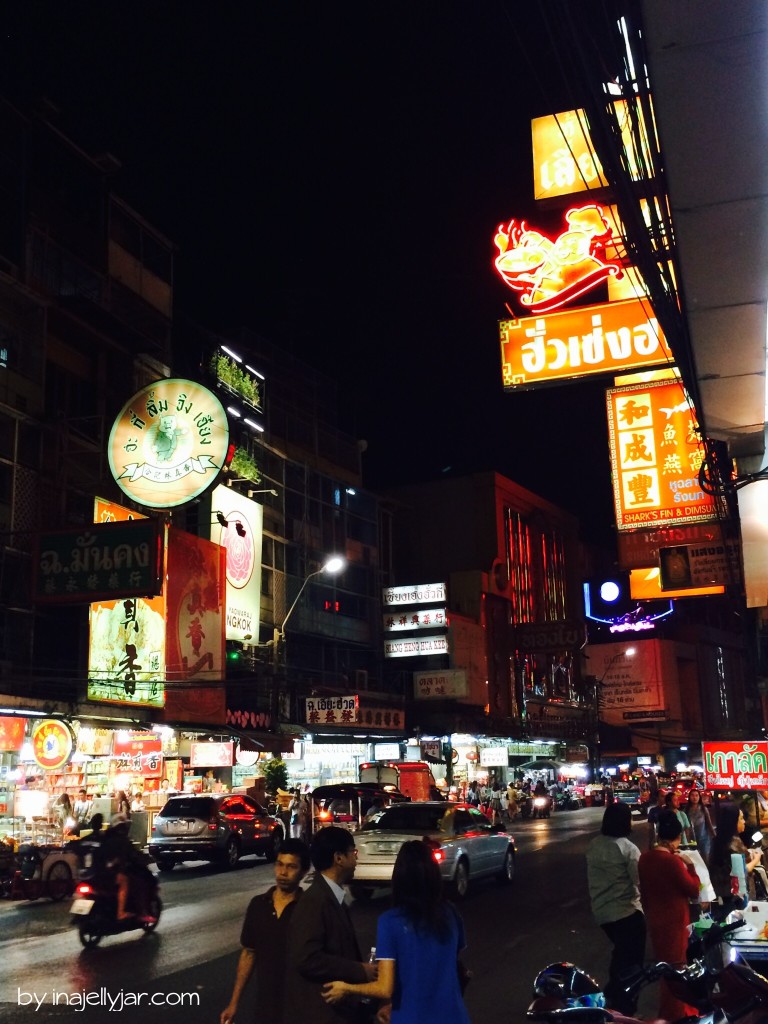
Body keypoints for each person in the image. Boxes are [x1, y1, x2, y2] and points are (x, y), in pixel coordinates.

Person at [322, 839, 470, 1024]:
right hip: (454, 1016)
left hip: (411, 1018)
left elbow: (385, 988)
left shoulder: (390, 922)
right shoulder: (450, 913)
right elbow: (446, 962)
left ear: (399, 877)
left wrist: (346, 988)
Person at [284, 825, 376, 1023]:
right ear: (339, 858)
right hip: (322, 1012)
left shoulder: (331, 896)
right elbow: (307, 957)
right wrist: (359, 970)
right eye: (353, 852)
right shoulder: (316, 900)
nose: (356, 859)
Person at [220, 838, 310, 1024]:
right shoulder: (258, 905)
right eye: (279, 865)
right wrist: (234, 1003)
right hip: (266, 1006)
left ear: (304, 872)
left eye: (291, 867)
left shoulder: (310, 909)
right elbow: (248, 953)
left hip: (302, 1007)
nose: (283, 872)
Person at [638, 811, 701, 1022]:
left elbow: (645, 892)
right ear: (676, 838)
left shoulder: (645, 858)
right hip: (674, 920)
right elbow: (693, 889)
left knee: (665, 966)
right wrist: (691, 866)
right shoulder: (672, 862)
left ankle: (674, 1010)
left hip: (655, 920)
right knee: (676, 968)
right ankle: (674, 1013)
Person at [585, 802, 646, 1015]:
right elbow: (640, 880)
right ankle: (623, 1008)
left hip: (602, 913)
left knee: (620, 957)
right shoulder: (627, 849)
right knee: (631, 965)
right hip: (626, 912)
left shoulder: (594, 845)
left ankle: (611, 1002)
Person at [708, 801, 762, 918]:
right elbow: (742, 871)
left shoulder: (718, 841)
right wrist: (756, 858)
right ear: (733, 821)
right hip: (737, 898)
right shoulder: (733, 843)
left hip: (723, 895)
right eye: (741, 818)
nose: (744, 822)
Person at [686, 788, 715, 861]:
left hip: (704, 839)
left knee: (705, 858)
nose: (694, 797)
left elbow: (709, 824)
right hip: (692, 839)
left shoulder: (703, 809)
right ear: (689, 797)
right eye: (692, 795)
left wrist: (714, 835)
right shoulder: (686, 810)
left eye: (696, 795)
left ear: (699, 797)